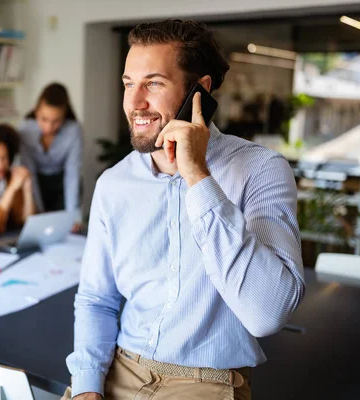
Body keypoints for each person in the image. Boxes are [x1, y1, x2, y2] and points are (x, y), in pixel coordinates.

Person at [64, 19, 304, 400]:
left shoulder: (261, 169)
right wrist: (87, 387)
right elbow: (97, 298)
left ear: (200, 90)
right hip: (117, 368)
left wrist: (197, 175)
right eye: (128, 83)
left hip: (207, 380)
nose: (134, 102)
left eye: (153, 83)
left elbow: (267, 315)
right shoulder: (113, 183)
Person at [19, 83, 83, 223]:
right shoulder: (24, 130)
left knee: (65, 225)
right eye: (44, 119)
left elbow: (72, 174)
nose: (48, 127)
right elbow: (30, 172)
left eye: (56, 121)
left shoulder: (73, 131)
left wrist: (73, 216)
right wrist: (38, 212)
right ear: (36, 112)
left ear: (64, 115)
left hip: (62, 182)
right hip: (37, 182)